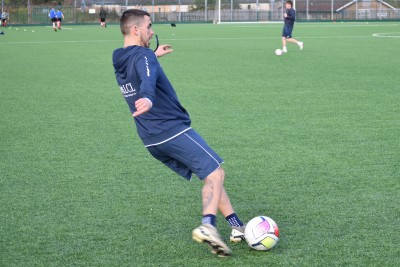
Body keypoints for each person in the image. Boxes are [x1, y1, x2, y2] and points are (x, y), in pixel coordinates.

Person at [112, 9, 245, 257]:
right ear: (136, 29)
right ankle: (208, 225)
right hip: (170, 128)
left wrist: (153, 56)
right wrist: (149, 98)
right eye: (149, 27)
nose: (152, 32)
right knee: (217, 173)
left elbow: (139, 69)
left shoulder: (119, 56)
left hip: (150, 139)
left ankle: (237, 227)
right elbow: (147, 81)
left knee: (209, 175)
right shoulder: (144, 56)